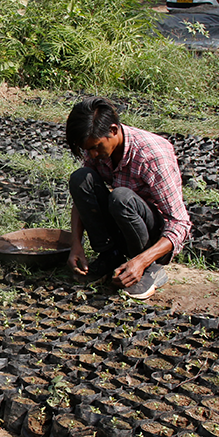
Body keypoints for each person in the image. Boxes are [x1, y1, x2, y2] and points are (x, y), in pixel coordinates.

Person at [65, 97, 192, 300]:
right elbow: (82, 196)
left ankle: (150, 268)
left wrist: (141, 261)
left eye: (96, 147)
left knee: (121, 198)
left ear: (113, 130)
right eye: (88, 149)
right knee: (81, 178)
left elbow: (180, 224)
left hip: (153, 234)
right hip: (125, 222)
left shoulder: (152, 156)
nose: (93, 154)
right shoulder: (97, 150)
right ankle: (111, 256)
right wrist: (76, 244)